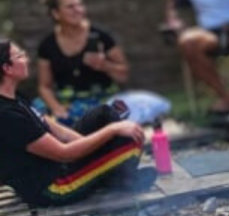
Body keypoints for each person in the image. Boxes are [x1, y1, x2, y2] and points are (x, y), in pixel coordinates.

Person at [0, 39, 147, 206]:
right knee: (129, 143)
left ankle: (114, 176)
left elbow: (59, 131)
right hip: (54, 187)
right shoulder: (6, 115)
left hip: (56, 165)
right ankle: (121, 180)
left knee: (104, 114)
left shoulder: (15, 96)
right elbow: (64, 153)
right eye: (20, 56)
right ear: (7, 68)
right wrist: (112, 131)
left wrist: (96, 149)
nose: (26, 59)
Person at [35, 0, 170, 127]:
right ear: (56, 13)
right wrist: (56, 107)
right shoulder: (47, 45)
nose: (78, 10)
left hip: (101, 99)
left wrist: (104, 65)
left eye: (80, 4)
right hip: (66, 102)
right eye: (70, 7)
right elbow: (45, 86)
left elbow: (123, 74)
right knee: (37, 114)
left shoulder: (101, 36)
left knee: (92, 116)